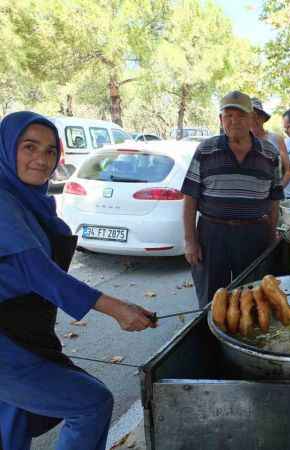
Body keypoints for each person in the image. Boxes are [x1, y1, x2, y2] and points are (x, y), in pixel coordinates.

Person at [0, 111, 156, 450]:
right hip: (7, 342)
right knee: (90, 403)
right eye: (29, 147)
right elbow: (37, 271)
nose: (41, 160)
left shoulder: (29, 199)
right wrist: (117, 309)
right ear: (7, 148)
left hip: (25, 333)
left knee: (15, 420)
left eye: (50, 151)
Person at [182, 91, 283, 307]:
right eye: (228, 115)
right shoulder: (206, 150)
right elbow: (190, 198)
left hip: (254, 235)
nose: (234, 121)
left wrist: (271, 235)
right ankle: (209, 340)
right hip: (212, 235)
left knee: (251, 299)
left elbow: (274, 200)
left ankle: (244, 340)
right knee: (211, 301)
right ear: (220, 120)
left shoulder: (270, 154)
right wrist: (190, 240)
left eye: (241, 115)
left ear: (252, 119)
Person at [250, 97, 290, 188]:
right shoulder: (242, 141)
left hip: (272, 195)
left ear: (263, 118)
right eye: (251, 116)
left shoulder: (277, 139)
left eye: (258, 116)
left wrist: (278, 190)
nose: (255, 120)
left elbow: (288, 171)